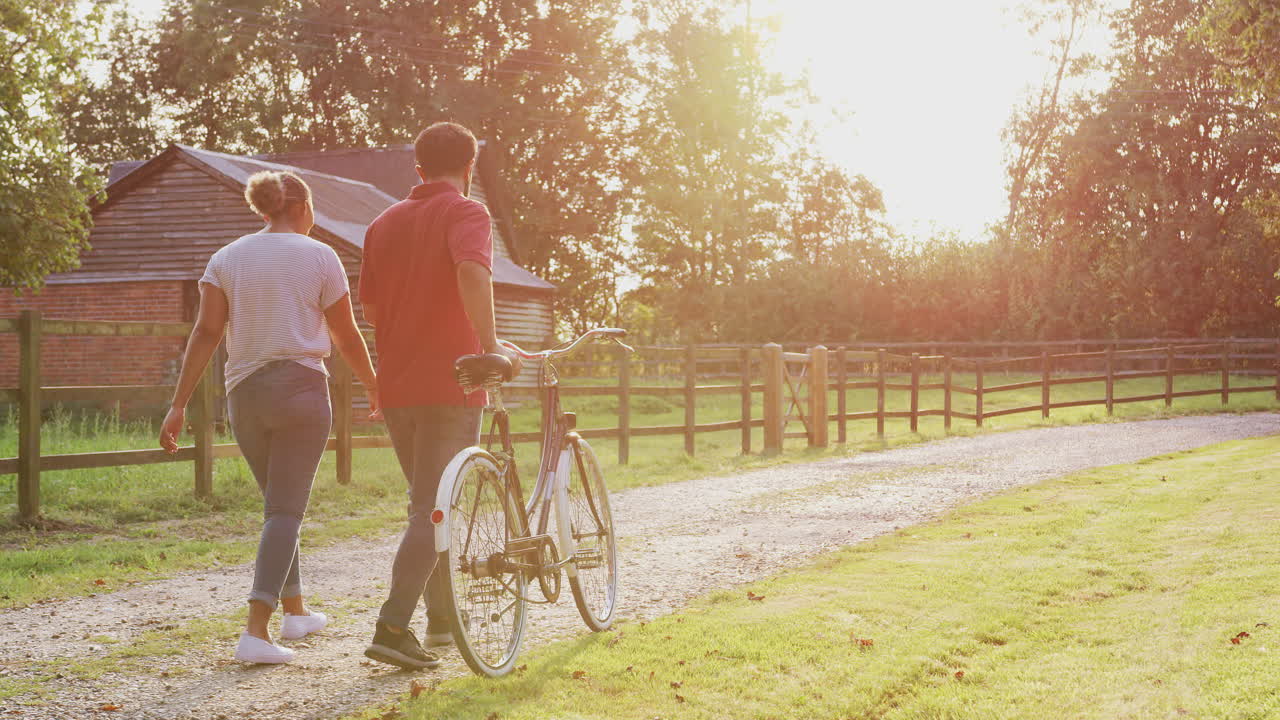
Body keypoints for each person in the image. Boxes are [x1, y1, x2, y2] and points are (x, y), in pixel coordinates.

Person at [160, 170, 378, 664]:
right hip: (301, 391)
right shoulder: (321, 256)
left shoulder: (226, 258)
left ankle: (296, 611)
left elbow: (205, 333)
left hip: (245, 397)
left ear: (264, 210)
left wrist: (178, 405)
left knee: (279, 505)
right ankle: (255, 631)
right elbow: (345, 334)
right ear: (301, 207)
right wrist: (373, 383)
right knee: (285, 510)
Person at [359, 121, 521, 670]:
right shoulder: (467, 212)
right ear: (471, 168)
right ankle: (392, 626)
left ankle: (442, 618)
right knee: (435, 508)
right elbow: (472, 272)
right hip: (454, 380)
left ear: (418, 168)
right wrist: (491, 346)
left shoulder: (381, 223)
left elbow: (373, 311)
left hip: (398, 384)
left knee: (429, 504)